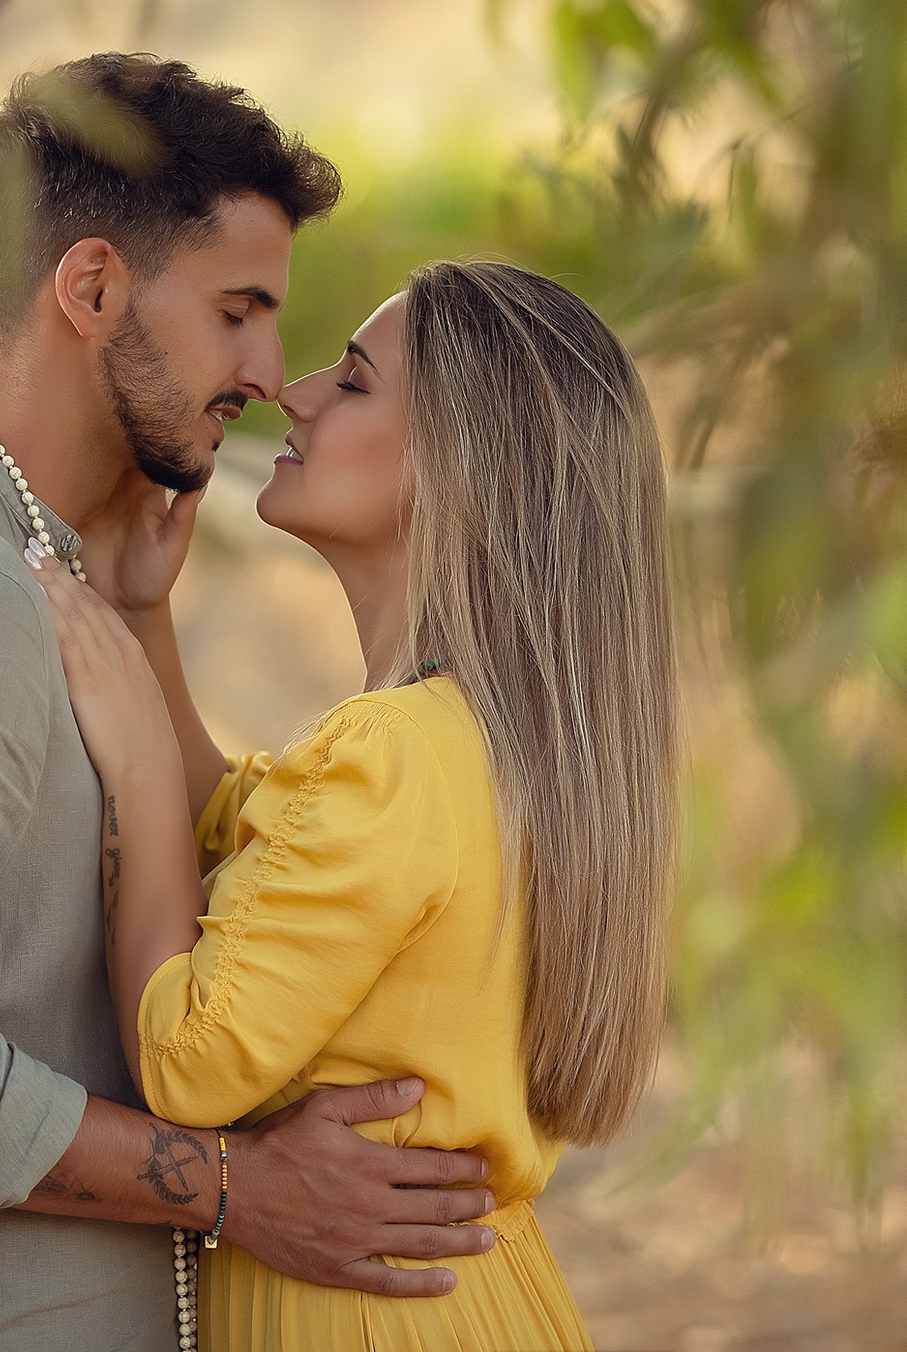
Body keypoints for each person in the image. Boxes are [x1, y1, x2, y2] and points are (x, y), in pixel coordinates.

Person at [0, 56, 506, 1351]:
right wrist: (240, 1190)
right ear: (91, 286)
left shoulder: (40, 565)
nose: (271, 369)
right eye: (240, 309)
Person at [36, 260, 679, 1350]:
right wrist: (143, 615)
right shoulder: (464, 737)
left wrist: (136, 760)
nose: (298, 388)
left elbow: (187, 1055)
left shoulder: (394, 751)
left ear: (451, 469)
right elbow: (246, 847)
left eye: (357, 379)